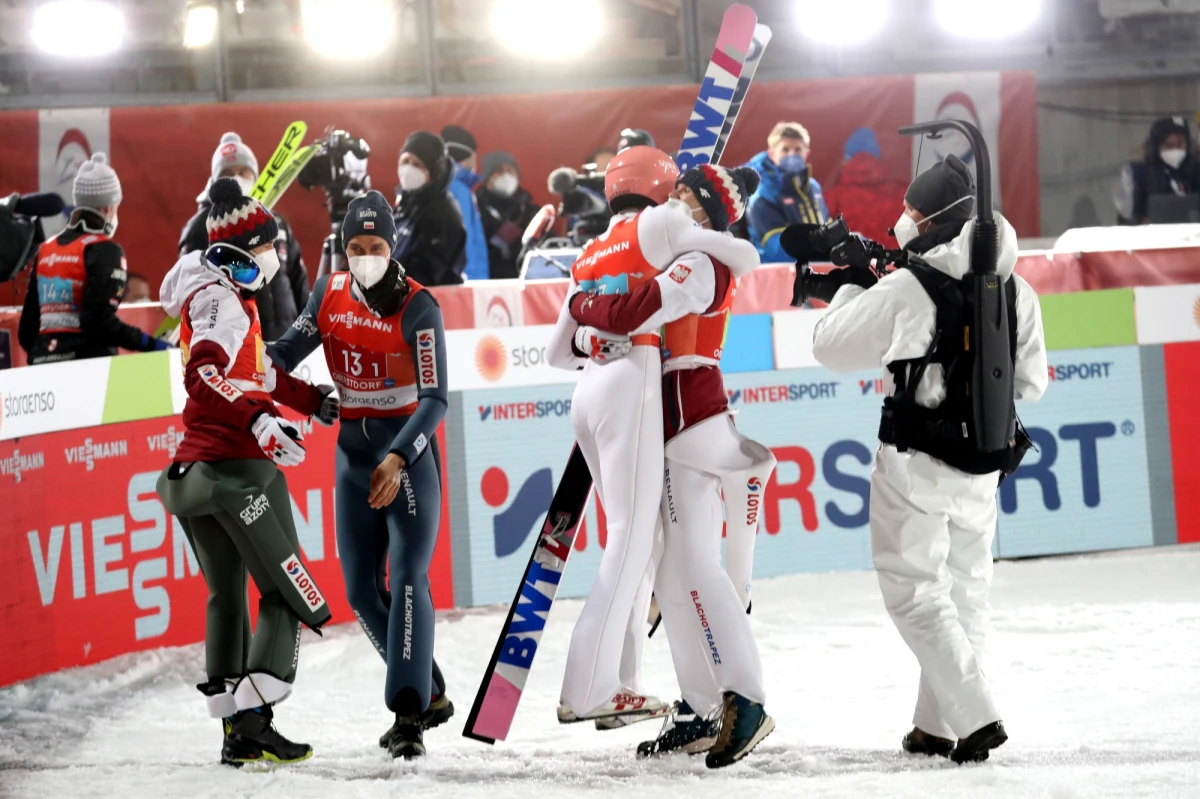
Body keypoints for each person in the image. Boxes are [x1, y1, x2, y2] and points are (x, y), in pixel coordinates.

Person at [794, 154, 1048, 764]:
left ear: (936, 220)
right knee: (966, 592)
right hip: (983, 464)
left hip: (914, 461)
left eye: (910, 211)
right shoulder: (1017, 287)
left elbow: (830, 346)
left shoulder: (909, 287)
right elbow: (1031, 384)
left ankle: (977, 716)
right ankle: (935, 727)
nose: (901, 221)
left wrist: (854, 284)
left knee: (915, 594)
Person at [564, 163, 776, 768]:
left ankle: (747, 698)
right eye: (673, 194)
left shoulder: (702, 262)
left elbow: (638, 311)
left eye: (688, 198)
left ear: (709, 213)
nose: (675, 205)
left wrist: (583, 306)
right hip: (673, 420)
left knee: (691, 566)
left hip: (692, 417)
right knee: (671, 574)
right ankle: (703, 707)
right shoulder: (684, 250)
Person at [155, 177, 336, 766]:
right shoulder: (223, 302)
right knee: (287, 590)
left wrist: (308, 401)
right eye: (269, 245)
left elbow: (252, 372)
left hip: (196, 468)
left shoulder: (212, 291)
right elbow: (204, 375)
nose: (277, 256)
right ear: (239, 253)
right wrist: (260, 423)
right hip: (240, 468)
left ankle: (234, 734)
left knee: (225, 597)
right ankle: (257, 718)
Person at [268, 190, 451, 760]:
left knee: (409, 576)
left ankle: (409, 718)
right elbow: (281, 353)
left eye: (375, 247)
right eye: (355, 247)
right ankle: (432, 690)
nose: (364, 256)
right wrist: (238, 352)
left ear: (391, 246)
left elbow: (435, 398)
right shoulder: (327, 292)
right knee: (359, 593)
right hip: (350, 460)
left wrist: (398, 457)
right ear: (344, 248)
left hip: (406, 460)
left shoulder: (420, 307)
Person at [18, 153, 170, 364]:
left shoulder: (45, 249)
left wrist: (47, 355)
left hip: (42, 368)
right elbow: (99, 322)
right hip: (90, 372)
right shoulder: (105, 249)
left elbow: (27, 330)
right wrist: (151, 344)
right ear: (108, 207)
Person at [179, 132, 310, 340]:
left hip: (287, 344)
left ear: (256, 175)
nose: (237, 178)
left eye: (244, 171)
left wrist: (310, 333)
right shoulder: (202, 227)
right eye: (228, 173)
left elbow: (299, 282)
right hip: (239, 347)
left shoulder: (275, 222)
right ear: (216, 181)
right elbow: (191, 289)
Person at [746, 121, 828, 263]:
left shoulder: (813, 187)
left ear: (806, 153)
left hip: (814, 267)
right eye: (785, 149)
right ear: (772, 154)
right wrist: (824, 249)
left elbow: (827, 225)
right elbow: (775, 248)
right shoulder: (763, 192)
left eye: (798, 150)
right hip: (776, 272)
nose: (792, 155)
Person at [393, 131, 468, 286]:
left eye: (417, 165)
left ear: (434, 171)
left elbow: (424, 272)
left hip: (430, 303)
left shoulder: (442, 213)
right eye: (405, 161)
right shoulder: (405, 205)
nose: (408, 169)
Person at [823, 128, 908, 245]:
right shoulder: (903, 193)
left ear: (846, 160)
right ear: (878, 157)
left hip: (851, 262)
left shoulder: (832, 198)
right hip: (894, 262)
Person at [1114, 116, 1200, 225]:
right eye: (1168, 145)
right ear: (1156, 146)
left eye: (1180, 145)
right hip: (1150, 239)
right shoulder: (1137, 174)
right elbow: (1125, 218)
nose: (1175, 150)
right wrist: (1141, 222)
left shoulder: (1196, 171)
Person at [476, 151, 537, 280]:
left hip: (527, 284)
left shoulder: (531, 212)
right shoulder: (476, 210)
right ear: (487, 179)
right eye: (499, 171)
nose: (506, 175)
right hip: (487, 284)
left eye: (510, 170)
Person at [441, 125, 490, 281]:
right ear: (469, 157)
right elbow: (466, 240)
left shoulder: (447, 185)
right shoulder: (458, 190)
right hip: (468, 279)